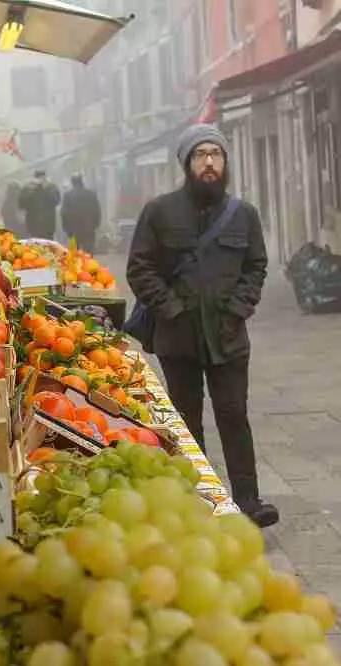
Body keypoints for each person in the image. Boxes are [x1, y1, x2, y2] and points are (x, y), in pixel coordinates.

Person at [126, 124, 279, 527]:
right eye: (200, 155)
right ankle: (198, 500)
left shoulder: (243, 215)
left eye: (215, 154)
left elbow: (256, 266)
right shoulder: (159, 212)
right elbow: (140, 268)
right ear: (187, 163)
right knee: (186, 420)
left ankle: (248, 500)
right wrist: (170, 308)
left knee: (233, 414)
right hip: (178, 337)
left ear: (225, 161)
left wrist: (238, 308)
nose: (209, 162)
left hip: (228, 335)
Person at [61, 174, 102, 253]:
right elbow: (96, 210)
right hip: (88, 226)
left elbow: (64, 212)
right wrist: (96, 224)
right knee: (88, 250)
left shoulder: (68, 195)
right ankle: (88, 264)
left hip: (72, 227)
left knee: (74, 251)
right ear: (81, 181)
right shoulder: (91, 194)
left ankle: (77, 264)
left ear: (72, 182)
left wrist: (65, 226)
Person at [18, 170, 60, 239]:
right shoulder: (28, 189)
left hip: (40, 225)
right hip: (43, 225)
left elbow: (21, 205)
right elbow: (22, 205)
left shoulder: (50, 187)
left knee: (41, 245)